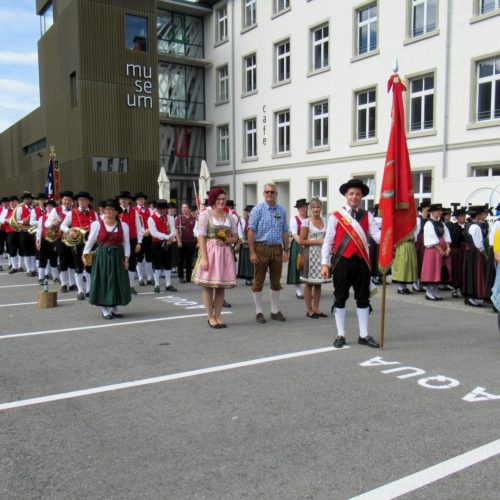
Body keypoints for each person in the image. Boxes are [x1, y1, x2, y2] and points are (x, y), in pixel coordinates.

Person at [320, 179, 381, 348]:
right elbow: (328, 240)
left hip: (362, 262)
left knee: (363, 298)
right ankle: (341, 334)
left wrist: (392, 234)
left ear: (361, 196)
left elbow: (377, 236)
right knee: (340, 297)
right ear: (346, 195)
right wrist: (325, 263)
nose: (354, 196)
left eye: (358, 194)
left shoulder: (368, 216)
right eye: (351, 193)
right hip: (342, 262)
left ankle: (364, 335)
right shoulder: (336, 216)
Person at [192, 187, 238, 328]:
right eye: (219, 199)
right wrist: (204, 258)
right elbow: (201, 237)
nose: (222, 202)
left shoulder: (230, 216)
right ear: (213, 200)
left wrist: (226, 241)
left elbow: (236, 237)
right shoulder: (206, 215)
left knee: (220, 287)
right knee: (208, 286)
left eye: (224, 199)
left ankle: (218, 316)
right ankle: (210, 317)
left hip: (224, 253)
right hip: (210, 251)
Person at [248, 183, 289, 324]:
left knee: (276, 281)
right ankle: (259, 312)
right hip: (261, 247)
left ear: (276, 194)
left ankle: (274, 310)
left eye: (272, 192)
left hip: (277, 248)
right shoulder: (257, 210)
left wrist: (286, 250)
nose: (269, 194)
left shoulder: (282, 211)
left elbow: (285, 231)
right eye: (267, 192)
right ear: (263, 194)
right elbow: (251, 231)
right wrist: (252, 252)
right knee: (258, 280)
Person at [83, 199, 131, 319]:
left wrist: (126, 258)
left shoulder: (123, 225)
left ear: (116, 212)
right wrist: (84, 254)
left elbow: (126, 243)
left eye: (111, 209)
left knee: (117, 281)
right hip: (103, 256)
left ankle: (114, 308)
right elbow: (91, 241)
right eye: (106, 209)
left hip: (118, 256)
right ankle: (105, 309)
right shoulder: (97, 224)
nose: (108, 211)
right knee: (104, 281)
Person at [60, 191, 98, 300]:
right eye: (80, 200)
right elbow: (63, 225)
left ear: (88, 202)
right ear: (78, 201)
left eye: (85, 200)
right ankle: (80, 290)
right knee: (79, 266)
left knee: (90, 267)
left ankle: (90, 290)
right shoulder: (72, 213)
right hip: (78, 243)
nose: (82, 202)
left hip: (91, 244)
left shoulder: (93, 213)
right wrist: (69, 231)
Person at [299, 197, 330, 318]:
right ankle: (309, 309)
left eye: (318, 207)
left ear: (321, 208)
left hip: (322, 254)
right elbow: (301, 241)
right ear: (310, 209)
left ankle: (316, 308)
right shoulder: (306, 222)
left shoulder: (325, 220)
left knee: (319, 283)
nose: (316, 209)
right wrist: (318, 242)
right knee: (309, 283)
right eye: (313, 207)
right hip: (310, 253)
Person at [45, 191, 77, 292]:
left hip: (73, 239)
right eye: (65, 200)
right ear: (62, 200)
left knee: (72, 261)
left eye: (69, 200)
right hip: (60, 238)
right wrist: (53, 223)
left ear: (72, 201)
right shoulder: (56, 210)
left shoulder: (75, 210)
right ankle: (63, 284)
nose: (67, 201)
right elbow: (46, 223)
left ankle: (72, 284)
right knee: (63, 261)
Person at [420, 204, 452, 301]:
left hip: (442, 250)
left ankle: (435, 291)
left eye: (440, 211)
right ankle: (429, 293)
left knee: (439, 271)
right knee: (432, 270)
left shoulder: (441, 223)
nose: (440, 212)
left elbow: (447, 235)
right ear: (432, 212)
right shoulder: (429, 224)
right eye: (438, 211)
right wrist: (440, 250)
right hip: (433, 251)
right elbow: (432, 238)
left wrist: (448, 247)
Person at [148, 200, 178, 293]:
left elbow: (173, 229)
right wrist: (167, 237)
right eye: (160, 209)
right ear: (157, 209)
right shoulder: (151, 218)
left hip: (168, 243)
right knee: (157, 264)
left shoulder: (169, 218)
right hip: (157, 243)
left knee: (167, 263)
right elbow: (154, 233)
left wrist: (171, 237)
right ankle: (157, 285)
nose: (163, 211)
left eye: (164, 209)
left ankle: (168, 284)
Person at [462, 205, 489, 306]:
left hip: (470, 252)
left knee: (470, 272)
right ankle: (471, 296)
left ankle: (469, 296)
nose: (483, 215)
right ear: (477, 215)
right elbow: (479, 245)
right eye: (482, 213)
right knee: (475, 273)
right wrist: (485, 255)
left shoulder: (468, 224)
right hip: (475, 253)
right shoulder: (476, 227)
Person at [118, 191, 143, 295]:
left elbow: (138, 227)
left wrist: (139, 242)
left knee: (132, 263)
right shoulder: (116, 211)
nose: (123, 200)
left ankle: (130, 286)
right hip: (119, 241)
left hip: (132, 240)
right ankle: (120, 286)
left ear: (129, 201)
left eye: (125, 199)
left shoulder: (134, 211)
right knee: (120, 263)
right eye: (121, 198)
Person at [287, 199, 308, 299]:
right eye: (301, 207)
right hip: (298, 245)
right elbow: (294, 234)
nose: (303, 209)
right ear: (298, 209)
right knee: (298, 266)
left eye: (304, 207)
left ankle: (307, 288)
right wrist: (301, 242)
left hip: (308, 245)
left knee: (307, 266)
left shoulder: (309, 219)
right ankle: (298, 290)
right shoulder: (294, 219)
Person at [133, 192, 154, 286]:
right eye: (139, 199)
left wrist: (149, 230)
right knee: (139, 258)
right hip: (139, 236)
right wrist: (142, 231)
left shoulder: (150, 210)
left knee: (149, 257)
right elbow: (134, 224)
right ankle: (141, 278)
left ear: (144, 200)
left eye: (142, 199)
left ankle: (150, 278)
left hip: (148, 236)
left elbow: (153, 222)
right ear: (136, 201)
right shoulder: (133, 210)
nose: (141, 201)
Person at [175, 202, 197, 283]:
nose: (184, 209)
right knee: (180, 260)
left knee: (189, 260)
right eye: (183, 207)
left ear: (189, 209)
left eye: (185, 207)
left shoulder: (194, 219)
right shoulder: (179, 218)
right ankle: (181, 276)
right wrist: (179, 241)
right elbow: (176, 230)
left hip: (191, 242)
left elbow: (197, 230)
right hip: (182, 242)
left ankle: (189, 277)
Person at [447, 207, 466, 298]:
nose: (464, 218)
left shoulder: (468, 226)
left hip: (465, 251)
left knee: (464, 269)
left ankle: (463, 288)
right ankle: (455, 289)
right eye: (461, 216)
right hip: (456, 251)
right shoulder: (453, 227)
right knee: (456, 270)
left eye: (464, 216)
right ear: (457, 218)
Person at [413, 201, 430, 292]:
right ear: (423, 208)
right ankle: (415, 282)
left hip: (426, 242)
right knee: (419, 261)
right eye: (427, 208)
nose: (429, 210)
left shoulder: (428, 219)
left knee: (424, 262)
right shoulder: (418, 219)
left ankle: (422, 281)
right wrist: (416, 244)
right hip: (420, 242)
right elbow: (416, 233)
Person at [237, 204, 254, 286]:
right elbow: (240, 232)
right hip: (246, 243)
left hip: (255, 242)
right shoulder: (243, 221)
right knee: (247, 261)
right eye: (249, 211)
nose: (250, 213)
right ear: (247, 212)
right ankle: (248, 278)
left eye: (252, 211)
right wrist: (243, 241)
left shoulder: (258, 221)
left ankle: (256, 276)